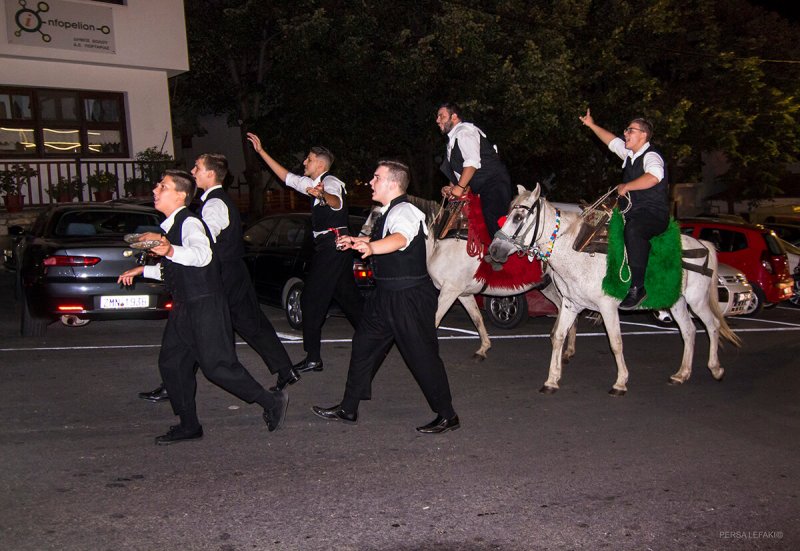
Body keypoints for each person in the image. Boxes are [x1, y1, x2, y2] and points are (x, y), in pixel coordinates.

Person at [118, 170, 288, 445]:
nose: (155, 190)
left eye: (163, 186)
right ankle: (189, 425)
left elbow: (201, 255)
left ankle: (271, 401)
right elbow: (177, 269)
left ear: (181, 195)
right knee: (172, 364)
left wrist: (169, 250)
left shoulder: (190, 223)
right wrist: (143, 270)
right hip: (186, 306)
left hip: (205, 306)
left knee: (217, 367)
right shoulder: (170, 228)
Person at [138, 154, 301, 403]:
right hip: (230, 271)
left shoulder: (214, 204)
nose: (193, 171)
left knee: (209, 326)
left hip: (223, 273)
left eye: (197, 167)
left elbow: (205, 241)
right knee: (246, 322)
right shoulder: (211, 202)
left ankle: (175, 382)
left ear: (210, 174)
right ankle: (284, 369)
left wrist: (171, 246)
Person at [312, 160, 459, 434]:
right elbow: (386, 239)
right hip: (385, 297)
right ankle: (348, 407)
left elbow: (400, 239)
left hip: (409, 298)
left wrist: (371, 249)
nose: (371, 182)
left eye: (376, 178)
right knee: (363, 346)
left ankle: (447, 414)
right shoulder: (387, 211)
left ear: (393, 183)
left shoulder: (405, 211)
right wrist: (359, 242)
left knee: (422, 357)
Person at [246, 133, 363, 374]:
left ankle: (313, 358)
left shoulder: (331, 182)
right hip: (331, 247)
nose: (304, 163)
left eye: (308, 160)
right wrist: (261, 152)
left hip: (333, 245)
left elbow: (336, 202)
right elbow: (287, 178)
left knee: (310, 300)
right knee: (348, 298)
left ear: (320, 164)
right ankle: (376, 338)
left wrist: (322, 194)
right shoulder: (312, 185)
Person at [579, 108, 670, 310]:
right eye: (626, 130)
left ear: (643, 135)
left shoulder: (652, 156)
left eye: (631, 130)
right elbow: (611, 141)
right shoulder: (630, 154)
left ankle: (638, 287)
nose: (625, 134)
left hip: (652, 214)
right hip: (631, 211)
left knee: (634, 230)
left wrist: (627, 186)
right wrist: (591, 124)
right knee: (593, 219)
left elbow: (654, 176)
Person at [436, 102, 513, 238]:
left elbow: (471, 163)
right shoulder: (452, 140)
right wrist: (451, 189)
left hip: (494, 183)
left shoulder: (464, 132)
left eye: (441, 116)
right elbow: (458, 171)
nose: (437, 120)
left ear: (454, 117)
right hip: (481, 189)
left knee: (493, 220)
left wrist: (459, 187)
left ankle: (500, 256)